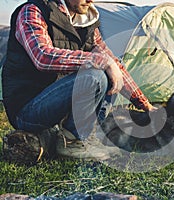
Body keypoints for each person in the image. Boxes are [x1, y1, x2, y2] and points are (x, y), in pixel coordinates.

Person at [2, 0, 156, 160]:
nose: (90, 0)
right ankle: (71, 142)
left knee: (113, 71)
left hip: (57, 103)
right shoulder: (33, 11)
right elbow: (42, 56)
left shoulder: (86, 21)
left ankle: (86, 136)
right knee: (94, 75)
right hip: (28, 109)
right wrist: (102, 61)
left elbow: (112, 62)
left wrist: (147, 106)